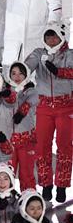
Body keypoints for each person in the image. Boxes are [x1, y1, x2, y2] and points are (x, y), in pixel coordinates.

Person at [24, 25, 72, 203]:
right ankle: (46, 184)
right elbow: (26, 67)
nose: (51, 40)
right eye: (48, 37)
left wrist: (59, 71)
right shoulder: (38, 53)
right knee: (42, 147)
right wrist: (21, 74)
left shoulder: (70, 55)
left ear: (62, 37)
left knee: (64, 147)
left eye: (54, 37)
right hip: (43, 107)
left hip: (66, 108)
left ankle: (61, 185)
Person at [5, 62, 39, 191]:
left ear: (26, 75)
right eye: (13, 73)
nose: (17, 76)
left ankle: (29, 203)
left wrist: (21, 112)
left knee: (27, 174)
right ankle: (7, 202)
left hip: (27, 141)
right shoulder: (5, 92)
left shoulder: (31, 91)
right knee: (7, 174)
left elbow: (31, 101)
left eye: (20, 73)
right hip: (8, 142)